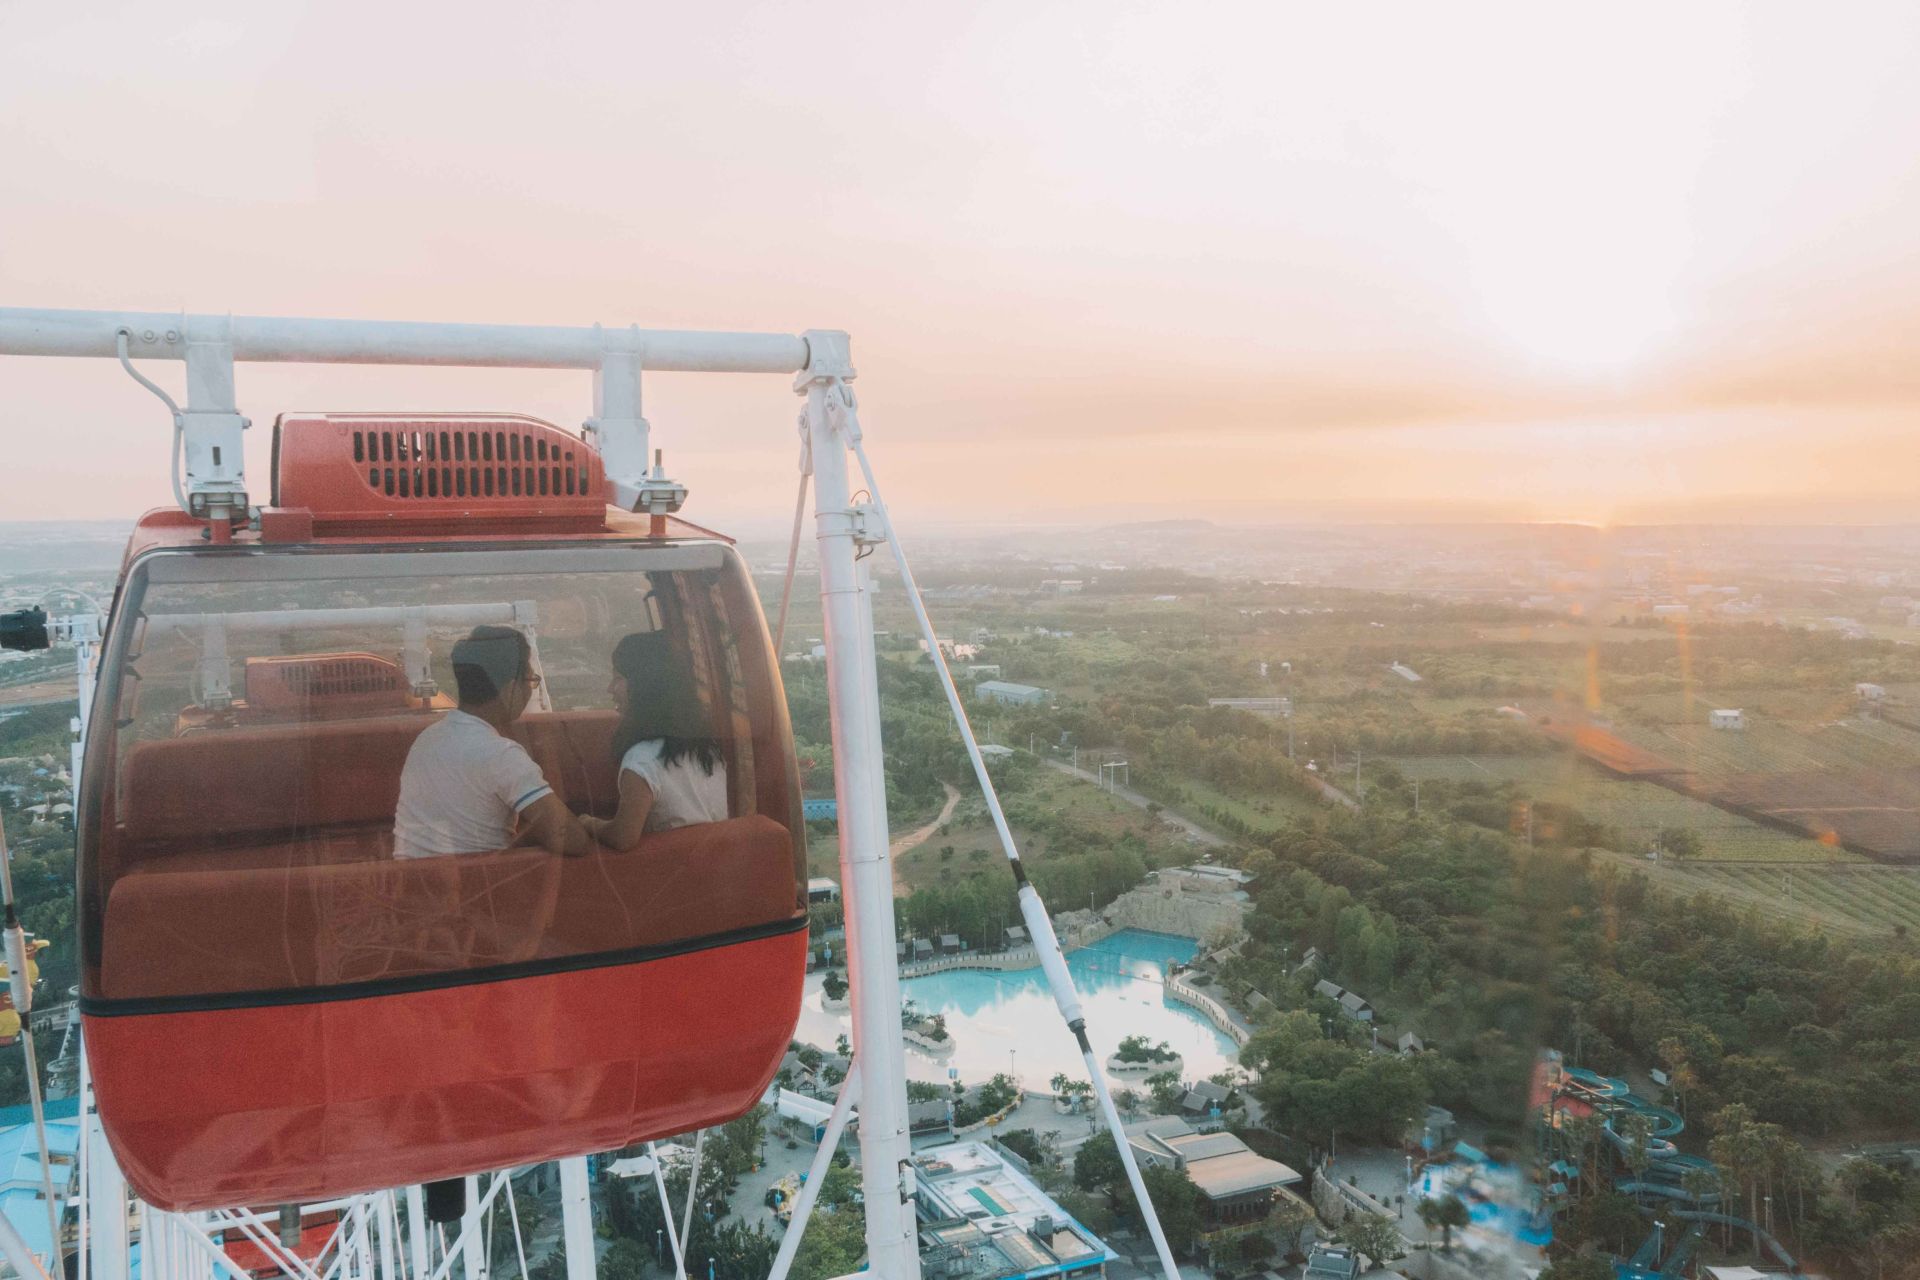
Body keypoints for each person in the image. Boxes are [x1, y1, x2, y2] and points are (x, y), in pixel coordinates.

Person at [393, 625, 593, 858]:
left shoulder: (426, 739)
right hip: (478, 878)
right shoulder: (501, 755)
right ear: (511, 689)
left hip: (415, 876)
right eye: (530, 680)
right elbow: (571, 840)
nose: (530, 689)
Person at [582, 631, 729, 850]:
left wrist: (588, 823)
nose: (610, 688)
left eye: (618, 678)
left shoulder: (641, 760)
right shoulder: (709, 749)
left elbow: (623, 837)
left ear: (644, 686)